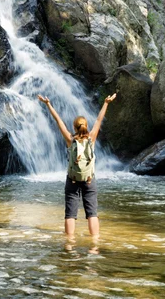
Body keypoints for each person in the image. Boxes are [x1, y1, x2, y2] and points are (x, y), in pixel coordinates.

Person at [38, 93, 117, 238]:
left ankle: (70, 244)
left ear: (74, 127)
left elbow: (58, 120)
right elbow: (99, 119)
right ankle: (94, 243)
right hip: (89, 179)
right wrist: (106, 102)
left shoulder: (70, 139)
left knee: (70, 214)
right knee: (92, 212)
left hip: (72, 179)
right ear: (86, 127)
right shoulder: (91, 138)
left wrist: (47, 104)